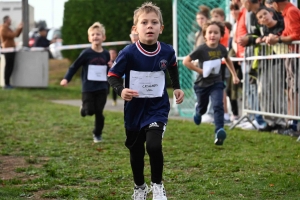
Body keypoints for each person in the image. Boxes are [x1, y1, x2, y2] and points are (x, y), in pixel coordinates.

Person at [108, 2, 184, 200]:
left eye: (154, 22)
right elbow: (112, 75)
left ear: (161, 28)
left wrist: (176, 87)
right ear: (136, 29)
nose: (149, 26)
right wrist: (121, 89)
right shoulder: (128, 53)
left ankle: (157, 186)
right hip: (134, 110)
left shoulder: (167, 51)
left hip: (157, 108)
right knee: (136, 152)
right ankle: (140, 187)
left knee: (154, 146)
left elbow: (173, 66)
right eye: (144, 22)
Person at [183, 21, 240, 145]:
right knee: (203, 107)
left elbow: (228, 60)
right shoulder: (201, 49)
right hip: (202, 84)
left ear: (221, 35)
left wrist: (234, 75)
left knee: (218, 105)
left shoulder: (221, 49)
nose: (213, 35)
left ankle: (219, 131)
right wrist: (200, 70)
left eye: (216, 33)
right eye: (210, 32)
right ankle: (198, 111)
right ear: (205, 35)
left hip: (216, 83)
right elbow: (186, 61)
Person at [60, 22, 110, 143]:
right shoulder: (86, 53)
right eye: (93, 35)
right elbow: (74, 66)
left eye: (98, 34)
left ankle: (97, 134)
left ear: (103, 37)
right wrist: (66, 78)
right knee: (90, 111)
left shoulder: (106, 54)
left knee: (99, 111)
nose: (95, 37)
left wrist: (111, 67)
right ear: (89, 38)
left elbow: (110, 70)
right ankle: (84, 109)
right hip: (88, 87)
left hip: (102, 87)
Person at [265, 0, 300, 134]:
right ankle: (291, 123)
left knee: (295, 89)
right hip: (293, 54)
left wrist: (277, 40)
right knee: (291, 88)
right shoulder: (288, 12)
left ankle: (294, 125)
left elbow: (296, 35)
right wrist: (275, 37)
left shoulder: (291, 11)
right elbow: (288, 33)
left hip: (296, 55)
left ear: (276, 3)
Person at [0, 15, 23, 89]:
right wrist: (18, 28)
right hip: (7, 49)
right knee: (8, 67)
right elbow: (12, 35)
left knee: (10, 66)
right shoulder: (3, 28)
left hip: (11, 49)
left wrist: (20, 28)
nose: (11, 21)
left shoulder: (8, 28)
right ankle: (6, 84)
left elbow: (16, 35)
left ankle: (8, 83)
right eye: (10, 20)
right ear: (6, 20)